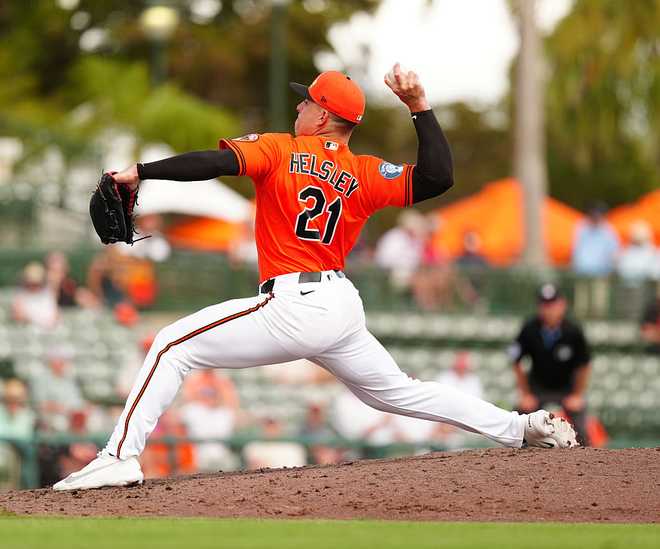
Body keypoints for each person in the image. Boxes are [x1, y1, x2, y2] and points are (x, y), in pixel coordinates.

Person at [54, 65, 577, 491]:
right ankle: (520, 428)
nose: (299, 106)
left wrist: (140, 171)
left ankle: (120, 456)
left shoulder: (280, 149)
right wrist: (420, 106)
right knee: (396, 392)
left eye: (308, 102)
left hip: (294, 302)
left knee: (171, 344)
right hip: (339, 303)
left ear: (325, 116)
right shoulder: (366, 172)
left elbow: (213, 162)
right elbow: (439, 177)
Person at [510, 284, 592, 445]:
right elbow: (515, 360)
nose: (549, 310)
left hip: (566, 389)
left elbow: (584, 364)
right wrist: (525, 394)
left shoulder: (573, 330)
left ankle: (587, 457)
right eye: (544, 305)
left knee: (581, 426)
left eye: (552, 304)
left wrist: (577, 394)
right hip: (537, 388)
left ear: (562, 304)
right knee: (517, 422)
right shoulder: (529, 328)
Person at [11, 262, 59, 329]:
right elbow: (18, 316)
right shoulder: (20, 295)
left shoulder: (48, 294)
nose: (33, 286)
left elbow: (55, 316)